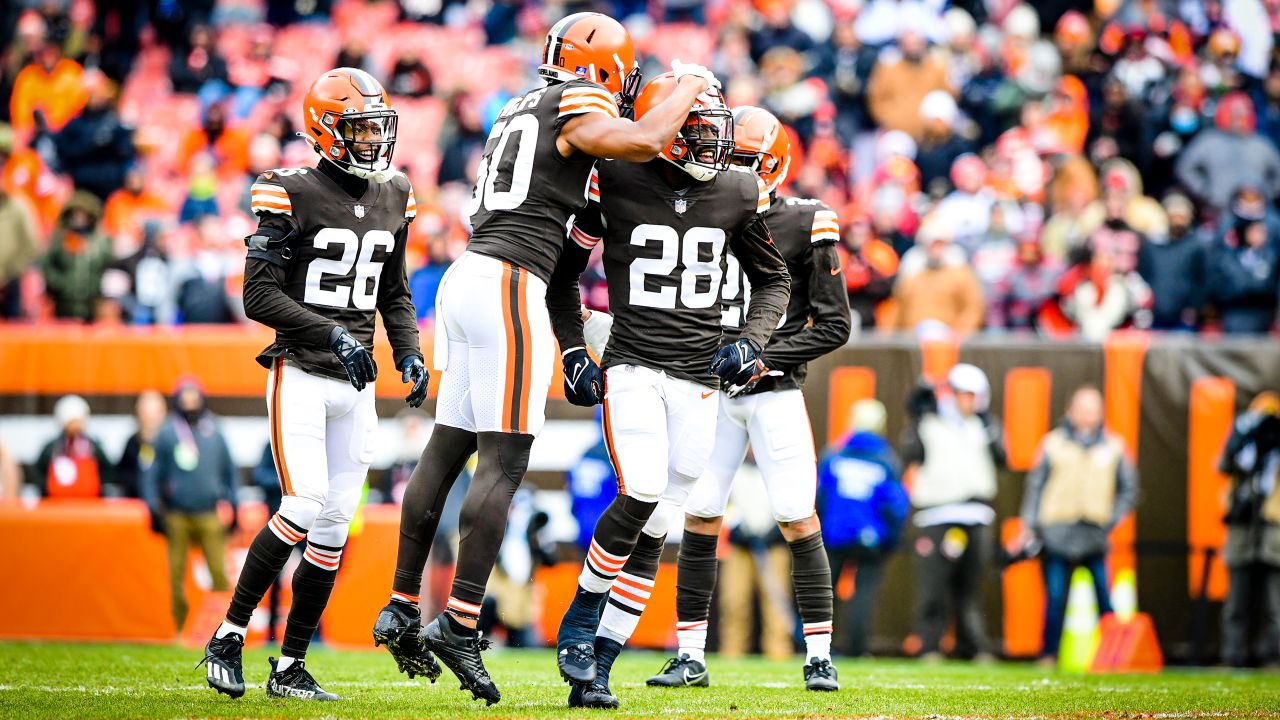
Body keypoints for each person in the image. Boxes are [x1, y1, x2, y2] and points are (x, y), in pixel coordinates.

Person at [377, 13, 717, 706]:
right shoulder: (578, 99)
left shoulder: (518, 105)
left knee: (448, 447)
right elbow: (649, 137)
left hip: (470, 275)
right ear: (606, 68)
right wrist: (689, 85)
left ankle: (402, 603)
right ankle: (462, 621)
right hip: (510, 281)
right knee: (505, 459)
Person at [547, 74, 789, 709]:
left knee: (661, 522)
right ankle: (579, 617)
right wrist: (574, 347)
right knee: (644, 488)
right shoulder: (617, 176)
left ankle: (598, 667)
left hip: (701, 377)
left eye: (717, 131)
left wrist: (753, 340)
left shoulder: (737, 189)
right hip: (634, 364)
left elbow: (774, 283)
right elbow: (563, 274)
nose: (714, 146)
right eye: (698, 131)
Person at [198, 67, 428, 703]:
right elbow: (257, 294)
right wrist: (332, 336)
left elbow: (395, 291)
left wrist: (408, 353)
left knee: (331, 528)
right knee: (300, 506)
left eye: (379, 127)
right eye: (359, 127)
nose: (374, 141)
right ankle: (229, 633)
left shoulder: (395, 193)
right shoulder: (287, 189)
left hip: (355, 386)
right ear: (326, 130)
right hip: (300, 372)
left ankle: (290, 665)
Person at [644, 106, 849, 692]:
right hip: (710, 386)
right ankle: (689, 655)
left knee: (794, 514)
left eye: (743, 162)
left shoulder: (807, 221)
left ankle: (818, 655)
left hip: (772, 389)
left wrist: (763, 355)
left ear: (775, 166)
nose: (730, 169)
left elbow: (834, 326)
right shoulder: (700, 209)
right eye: (726, 157)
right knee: (701, 512)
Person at [1017, 385, 1139, 664]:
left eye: (1093, 410)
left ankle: (1113, 657)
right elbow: (1035, 486)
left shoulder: (1114, 445)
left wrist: (1111, 519)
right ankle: (1049, 654)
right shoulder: (1053, 443)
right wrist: (1030, 525)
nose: (1088, 416)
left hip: (1094, 532)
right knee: (1056, 596)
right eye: (1083, 410)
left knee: (1103, 598)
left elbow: (1129, 489)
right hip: (1057, 530)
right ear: (1070, 411)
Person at [902, 364, 1005, 662]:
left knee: (969, 589)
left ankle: (972, 647)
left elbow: (1003, 459)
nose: (967, 400)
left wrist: (992, 432)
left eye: (973, 394)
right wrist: (915, 416)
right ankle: (929, 646)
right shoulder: (929, 423)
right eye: (962, 393)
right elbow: (911, 453)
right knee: (933, 587)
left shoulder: (984, 427)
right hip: (937, 515)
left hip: (976, 515)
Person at [139, 381, 239, 631]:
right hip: (176, 514)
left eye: (194, 399)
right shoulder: (167, 433)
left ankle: (225, 631)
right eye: (186, 399)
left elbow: (230, 472)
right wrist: (153, 507)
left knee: (219, 572)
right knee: (176, 575)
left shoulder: (215, 431)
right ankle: (179, 627)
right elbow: (151, 474)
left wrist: (234, 505)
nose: (190, 404)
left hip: (209, 513)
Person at [818, 399, 909, 658]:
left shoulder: (833, 455)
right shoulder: (887, 461)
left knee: (826, 593)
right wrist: (892, 537)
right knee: (864, 594)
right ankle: (857, 649)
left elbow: (819, 496)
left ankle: (819, 648)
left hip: (833, 536)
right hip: (872, 538)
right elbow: (895, 504)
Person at [1217, 391, 1280, 668]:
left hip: (1274, 525)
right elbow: (1223, 465)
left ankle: (1273, 656)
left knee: (1275, 601)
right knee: (1237, 599)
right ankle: (1234, 655)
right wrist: (1243, 435)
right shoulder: (1243, 438)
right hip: (1243, 523)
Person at [1175, 91, 1280, 213]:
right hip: (1217, 211)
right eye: (1234, 113)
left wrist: (1266, 193)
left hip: (1257, 215)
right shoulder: (1208, 140)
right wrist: (1205, 191)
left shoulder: (1261, 143)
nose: (1239, 118)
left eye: (1243, 113)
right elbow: (1184, 168)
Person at [883, 219, 984, 334]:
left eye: (939, 244)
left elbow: (973, 308)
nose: (935, 249)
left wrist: (958, 335)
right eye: (931, 244)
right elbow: (897, 308)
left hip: (948, 343)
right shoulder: (912, 275)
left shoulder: (960, 274)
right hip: (912, 341)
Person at [40, 191, 113, 322]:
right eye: (75, 214)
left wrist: (98, 288)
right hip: (63, 303)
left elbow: (109, 266)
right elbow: (47, 265)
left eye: (83, 214)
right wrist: (60, 284)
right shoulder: (59, 239)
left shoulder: (101, 241)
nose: (79, 218)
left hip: (92, 305)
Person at [32, 395, 112, 498]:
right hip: (56, 505)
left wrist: (98, 484)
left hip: (90, 505)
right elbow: (37, 473)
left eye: (77, 422)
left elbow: (108, 471)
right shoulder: (52, 448)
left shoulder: (93, 447)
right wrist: (46, 488)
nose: (75, 426)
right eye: (71, 422)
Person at [115, 390, 168, 499]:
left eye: (155, 413)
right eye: (145, 413)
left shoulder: (170, 444)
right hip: (136, 508)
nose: (150, 418)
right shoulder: (132, 443)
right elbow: (122, 477)